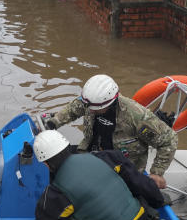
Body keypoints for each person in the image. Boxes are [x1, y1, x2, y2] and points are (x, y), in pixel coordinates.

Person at [0, 130, 165, 220]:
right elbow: (142, 184)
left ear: (46, 164)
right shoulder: (105, 157)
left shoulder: (57, 193)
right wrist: (159, 201)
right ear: (68, 147)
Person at [45, 74, 176, 188]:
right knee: (54, 161)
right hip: (91, 154)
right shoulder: (90, 102)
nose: (90, 111)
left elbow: (169, 140)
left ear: (109, 103)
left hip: (121, 170)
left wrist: (157, 172)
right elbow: (73, 109)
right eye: (88, 107)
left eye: (94, 109)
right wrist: (54, 122)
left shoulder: (137, 116)